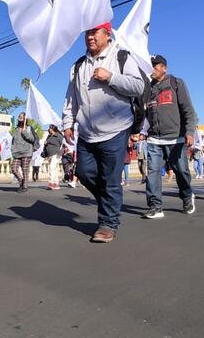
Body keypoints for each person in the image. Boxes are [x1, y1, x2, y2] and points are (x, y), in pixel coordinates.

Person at [62, 22, 145, 243]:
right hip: (87, 131)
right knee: (84, 172)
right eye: (87, 33)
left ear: (107, 34)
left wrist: (111, 77)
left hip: (116, 129)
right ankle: (110, 202)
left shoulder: (122, 57)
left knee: (110, 179)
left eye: (94, 32)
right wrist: (67, 123)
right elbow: (71, 98)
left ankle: (108, 224)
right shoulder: (78, 65)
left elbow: (138, 87)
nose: (90, 37)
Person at [141, 55, 197, 218]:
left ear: (164, 68)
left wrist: (190, 132)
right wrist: (137, 131)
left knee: (182, 171)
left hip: (176, 138)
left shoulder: (176, 83)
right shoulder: (147, 89)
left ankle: (187, 196)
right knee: (153, 173)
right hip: (154, 139)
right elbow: (143, 114)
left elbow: (188, 110)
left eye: (154, 66)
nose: (151, 69)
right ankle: (155, 206)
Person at [11, 112, 38, 192]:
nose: (20, 118)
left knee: (24, 169)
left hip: (27, 152)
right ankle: (22, 181)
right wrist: (12, 149)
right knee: (13, 168)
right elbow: (14, 140)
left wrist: (24, 132)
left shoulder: (29, 128)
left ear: (25, 119)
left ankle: (24, 186)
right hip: (17, 152)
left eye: (22, 117)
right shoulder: (16, 129)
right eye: (19, 117)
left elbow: (33, 139)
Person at [42, 125, 63, 189]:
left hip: (56, 154)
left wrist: (60, 152)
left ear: (53, 129)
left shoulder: (59, 136)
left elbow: (63, 144)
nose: (49, 129)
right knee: (54, 169)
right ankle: (56, 183)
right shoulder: (49, 136)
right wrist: (45, 144)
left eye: (50, 128)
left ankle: (51, 182)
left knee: (52, 167)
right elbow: (46, 144)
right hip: (49, 154)